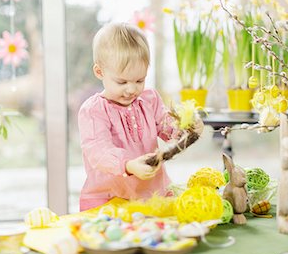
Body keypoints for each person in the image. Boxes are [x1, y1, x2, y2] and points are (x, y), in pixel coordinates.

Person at [78, 22, 203, 211]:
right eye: (122, 81)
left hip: (152, 194)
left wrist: (187, 128)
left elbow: (168, 129)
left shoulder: (149, 100)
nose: (132, 89)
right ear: (99, 72)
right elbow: (98, 151)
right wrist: (127, 165)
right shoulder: (93, 111)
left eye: (139, 80)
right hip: (108, 198)